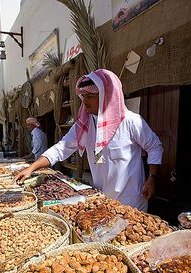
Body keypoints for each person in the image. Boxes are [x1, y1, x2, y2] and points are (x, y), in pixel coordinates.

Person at [15, 69, 163, 211]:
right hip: (103, 199)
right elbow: (61, 148)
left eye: (90, 97)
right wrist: (31, 168)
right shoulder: (84, 125)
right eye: (83, 96)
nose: (84, 102)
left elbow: (154, 146)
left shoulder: (131, 121)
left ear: (107, 95)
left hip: (131, 200)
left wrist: (152, 177)